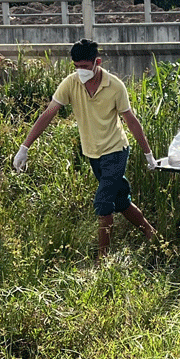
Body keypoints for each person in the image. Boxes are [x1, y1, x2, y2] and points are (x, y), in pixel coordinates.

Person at [13, 39, 160, 258]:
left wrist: (148, 154)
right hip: (93, 153)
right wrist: (24, 147)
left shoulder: (115, 86)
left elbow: (130, 120)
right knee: (120, 200)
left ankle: (103, 261)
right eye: (77, 66)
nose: (81, 71)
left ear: (96, 62)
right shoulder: (70, 84)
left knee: (103, 204)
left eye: (84, 66)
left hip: (116, 151)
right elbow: (49, 113)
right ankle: (151, 233)